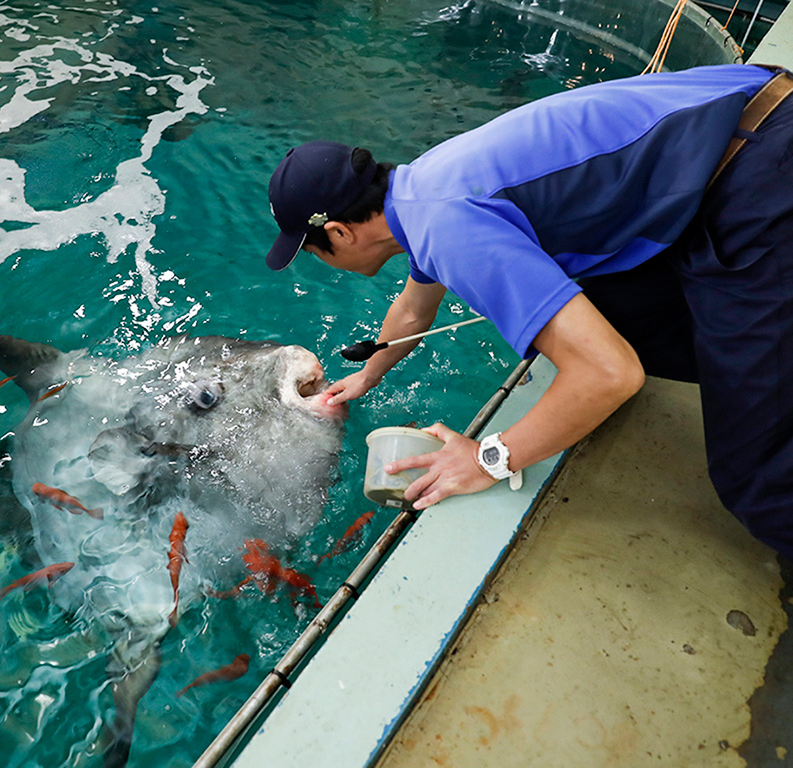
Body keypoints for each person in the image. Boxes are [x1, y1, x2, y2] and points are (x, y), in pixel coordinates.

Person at [263, 63, 793, 560]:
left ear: (338, 233)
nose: (323, 262)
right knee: (620, 317)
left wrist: (489, 458)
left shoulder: (448, 229)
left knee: (758, 481)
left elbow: (613, 374)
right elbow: (412, 310)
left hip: (762, 173)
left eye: (312, 251)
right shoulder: (422, 191)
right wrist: (366, 376)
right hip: (748, 114)